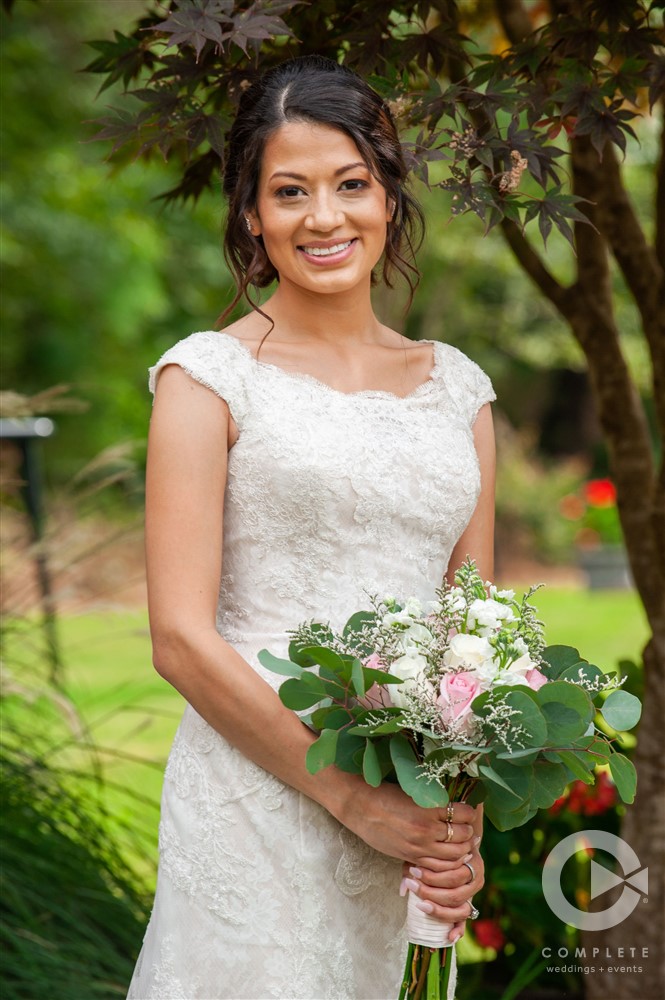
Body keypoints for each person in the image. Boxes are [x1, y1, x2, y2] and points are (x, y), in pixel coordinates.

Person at [127, 54, 494, 1000]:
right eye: (289, 192)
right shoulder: (206, 377)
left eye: (350, 185)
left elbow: (476, 643)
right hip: (256, 796)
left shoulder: (457, 388)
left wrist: (455, 828)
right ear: (251, 213)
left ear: (387, 195)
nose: (323, 217)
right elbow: (177, 636)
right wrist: (347, 798)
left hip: (408, 811)